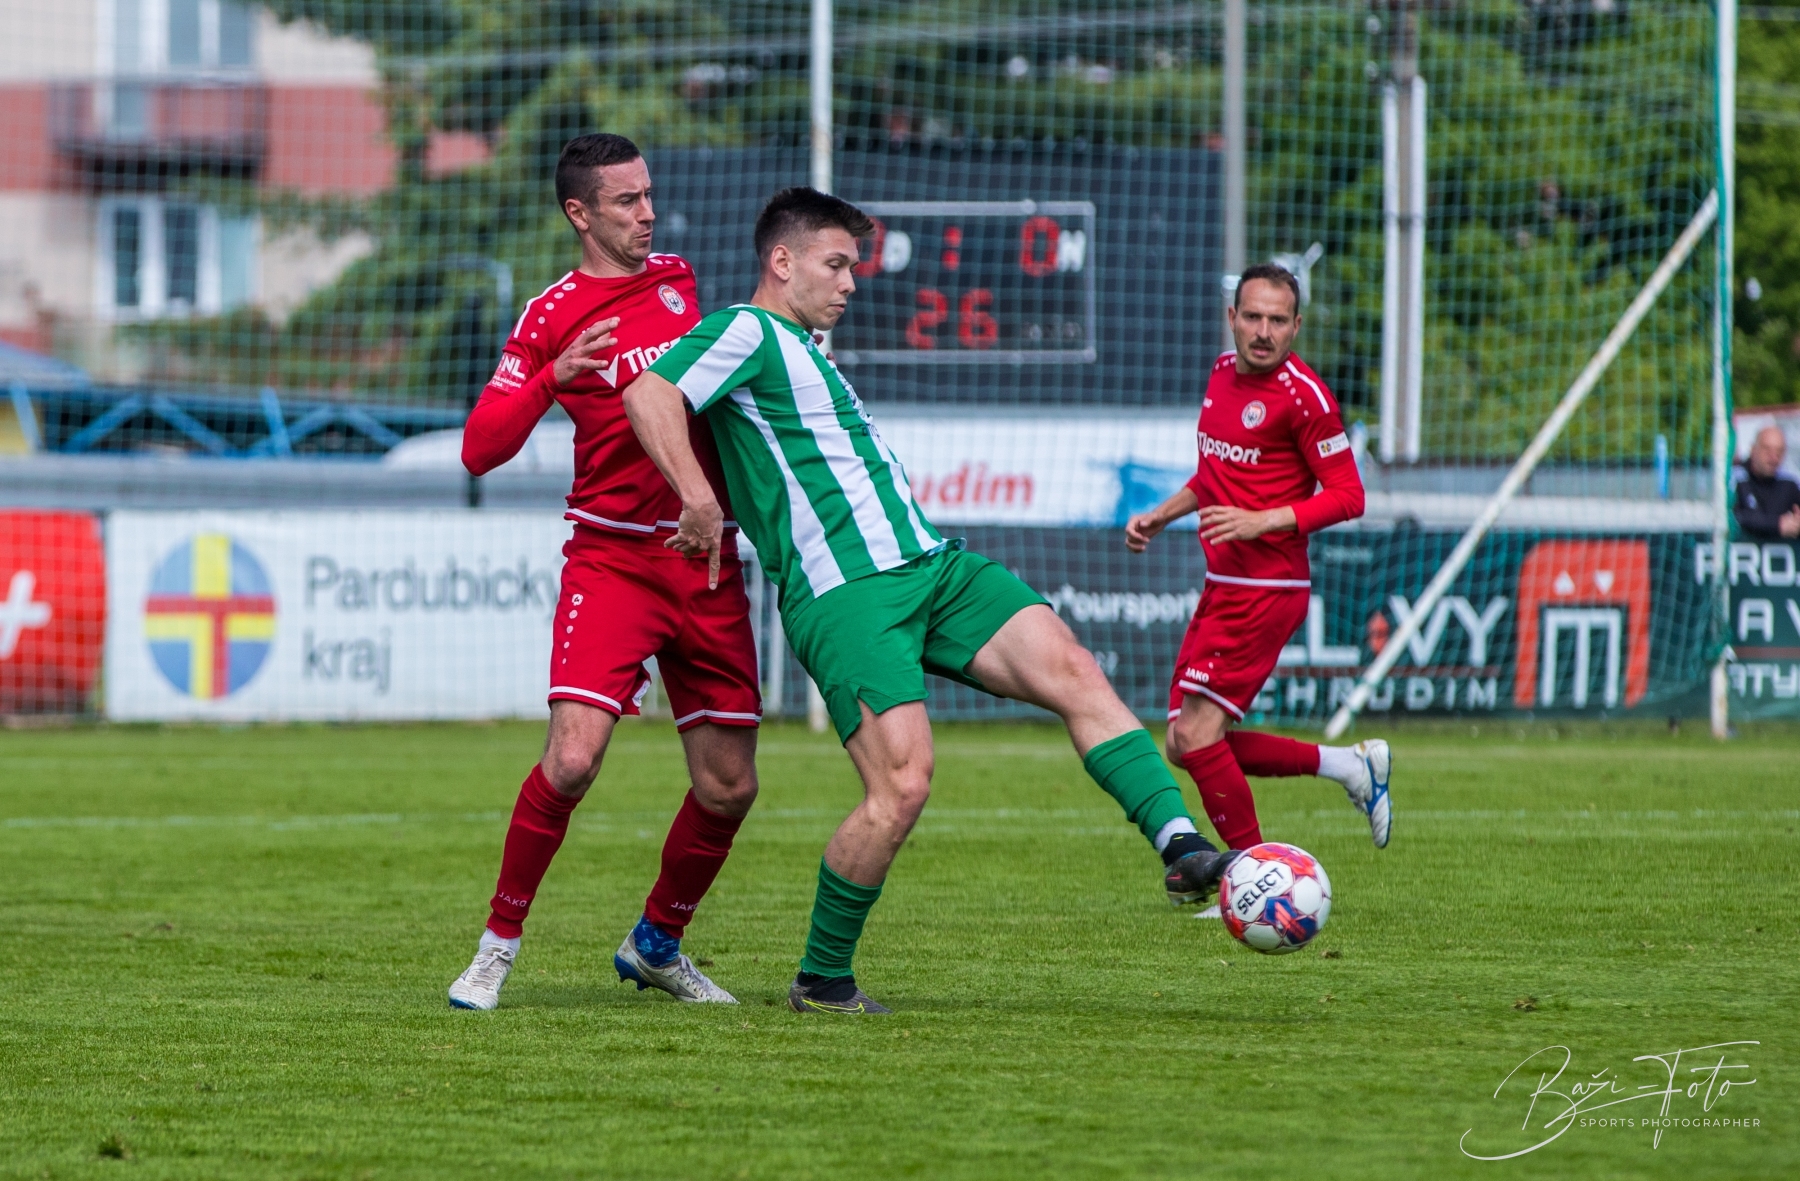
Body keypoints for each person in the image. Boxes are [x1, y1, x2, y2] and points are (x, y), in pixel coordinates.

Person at [622, 187, 1234, 1015]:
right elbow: (649, 394)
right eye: (836, 264)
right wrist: (697, 498)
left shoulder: (805, 350)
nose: (851, 283)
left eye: (853, 267)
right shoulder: (746, 329)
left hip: (932, 565)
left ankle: (1181, 845)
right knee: (903, 785)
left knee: (1074, 669)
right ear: (782, 261)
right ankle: (822, 981)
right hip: (849, 593)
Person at [446, 133, 762, 1011]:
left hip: (704, 558)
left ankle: (656, 945)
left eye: (649, 194)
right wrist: (552, 376)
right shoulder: (550, 314)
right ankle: (495, 949)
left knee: (729, 785)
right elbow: (478, 449)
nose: (648, 213)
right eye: (627, 201)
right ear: (579, 213)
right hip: (614, 559)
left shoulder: (680, 283)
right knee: (573, 760)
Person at [1124, 263, 1392, 869]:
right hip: (1223, 582)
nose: (1263, 331)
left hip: (1266, 586)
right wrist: (1163, 514)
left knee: (1196, 736)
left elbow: (1349, 496)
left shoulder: (1305, 398)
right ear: (1232, 318)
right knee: (1184, 743)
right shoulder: (1222, 374)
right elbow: (1215, 476)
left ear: (1296, 326)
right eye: (1252, 317)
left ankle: (1251, 878)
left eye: (1277, 320)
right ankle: (1349, 766)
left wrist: (1261, 521)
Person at [1733, 424, 1800, 541]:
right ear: (1753, 449)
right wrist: (1776, 525)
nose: (1773, 458)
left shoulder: (1789, 482)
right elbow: (1733, 517)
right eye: (1767, 450)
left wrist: (1795, 525)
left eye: (1779, 452)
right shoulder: (1735, 479)